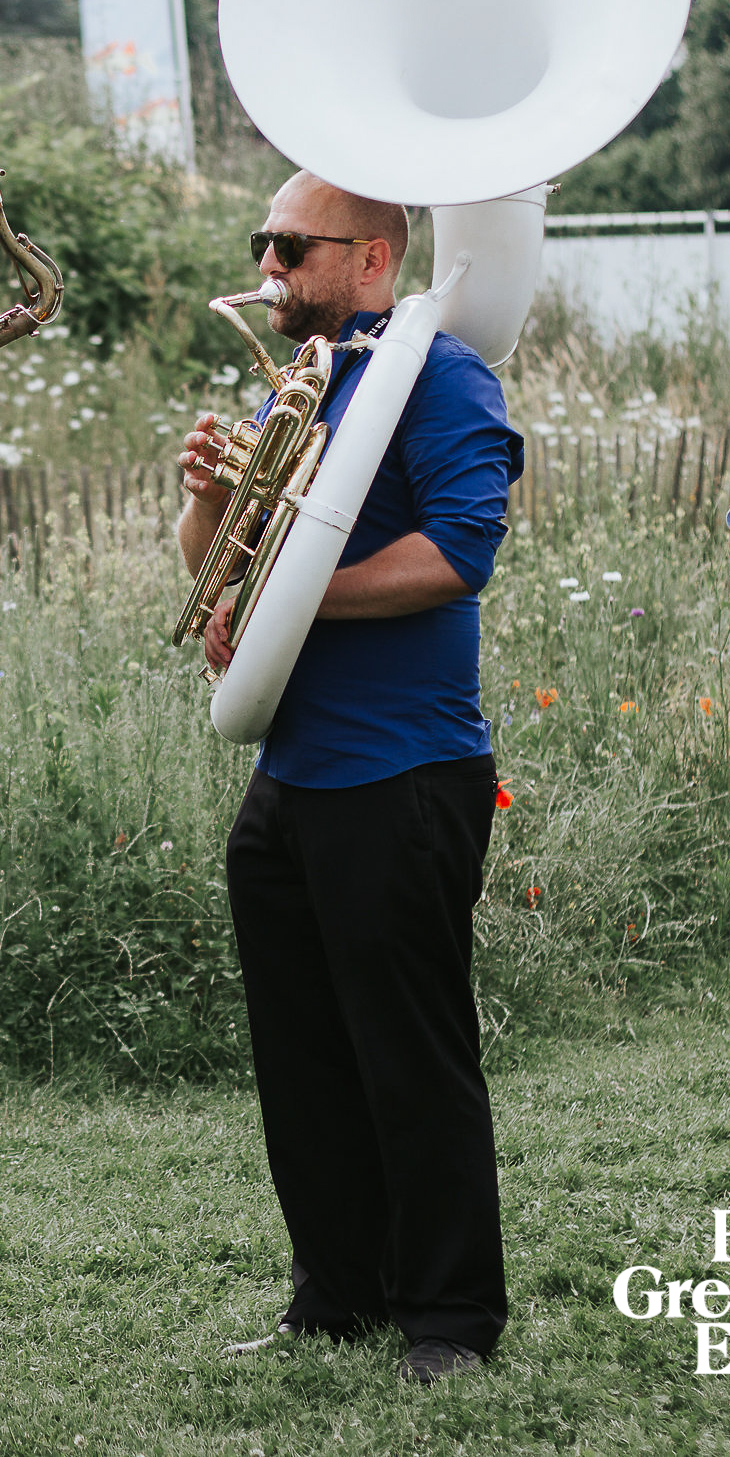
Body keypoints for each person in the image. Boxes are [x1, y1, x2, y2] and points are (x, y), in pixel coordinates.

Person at [176, 171, 522, 1384]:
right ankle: (335, 1293)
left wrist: (289, 600)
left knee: (409, 1051)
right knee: (300, 1053)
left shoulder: (440, 378)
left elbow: (454, 553)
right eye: (264, 240)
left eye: (291, 245)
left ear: (372, 259)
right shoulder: (302, 383)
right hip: (293, 771)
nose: (268, 263)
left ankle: (450, 1319)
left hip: (405, 768)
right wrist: (214, 501)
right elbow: (219, 571)